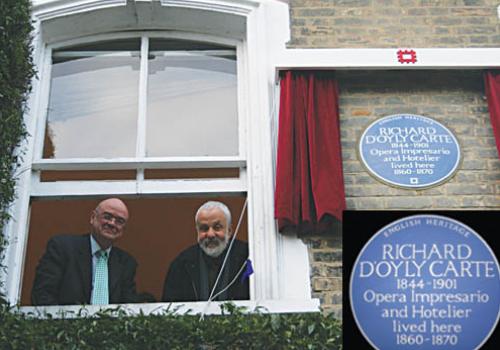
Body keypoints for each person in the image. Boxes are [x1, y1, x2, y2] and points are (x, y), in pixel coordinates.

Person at [31, 198, 141, 306]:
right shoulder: (63, 248)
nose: (112, 223)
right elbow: (42, 295)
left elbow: (129, 306)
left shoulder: (126, 263)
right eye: (107, 217)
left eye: (119, 221)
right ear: (93, 218)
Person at [162, 201, 250, 302]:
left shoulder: (247, 257)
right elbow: (169, 310)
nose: (210, 234)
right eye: (204, 228)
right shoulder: (182, 264)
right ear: (197, 231)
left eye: (217, 227)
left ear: (229, 231)